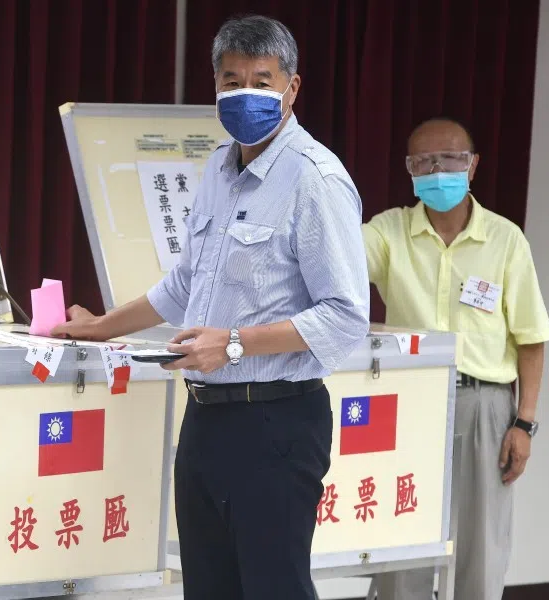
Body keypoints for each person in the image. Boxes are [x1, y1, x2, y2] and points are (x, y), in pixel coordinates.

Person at [51, 14, 370, 600]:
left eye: (261, 80)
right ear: (214, 87)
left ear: (292, 88)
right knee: (208, 588)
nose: (245, 94)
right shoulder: (219, 169)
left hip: (277, 422)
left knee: (273, 589)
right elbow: (184, 285)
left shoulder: (315, 179)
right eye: (231, 81)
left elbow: (346, 314)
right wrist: (98, 327)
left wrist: (235, 342)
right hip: (206, 419)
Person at [366, 118, 549, 600]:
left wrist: (525, 423)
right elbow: (335, 266)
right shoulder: (389, 232)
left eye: (448, 160)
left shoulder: (506, 239)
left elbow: (531, 338)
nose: (436, 171)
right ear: (409, 171)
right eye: (422, 162)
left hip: (484, 404)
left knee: (481, 543)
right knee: (399, 533)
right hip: (407, 403)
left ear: (472, 165)